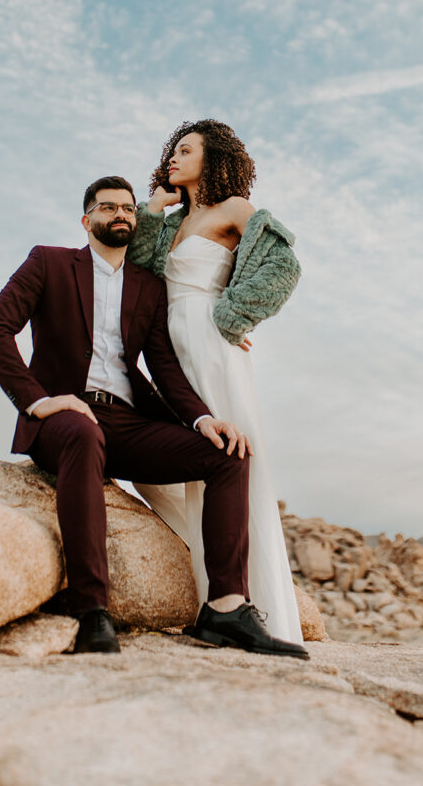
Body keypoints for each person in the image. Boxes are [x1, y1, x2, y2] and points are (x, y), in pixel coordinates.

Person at [0, 175, 309, 659]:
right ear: (86, 219)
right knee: (83, 434)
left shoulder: (147, 286)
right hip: (65, 419)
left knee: (227, 455)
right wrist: (37, 401)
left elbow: (165, 367)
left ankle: (225, 609)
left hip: (126, 423)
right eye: (108, 207)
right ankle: (93, 611)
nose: (120, 215)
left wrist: (202, 420)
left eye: (128, 209)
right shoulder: (48, 261)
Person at [127, 121, 304, 643]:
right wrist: (151, 210)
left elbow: (283, 265)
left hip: (209, 343)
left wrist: (233, 315)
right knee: (155, 472)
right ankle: (210, 590)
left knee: (229, 460)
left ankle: (243, 606)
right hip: (165, 350)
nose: (174, 159)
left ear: (214, 157)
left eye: (186, 151)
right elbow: (138, 275)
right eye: (172, 152)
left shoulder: (234, 211)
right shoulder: (169, 221)